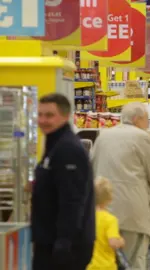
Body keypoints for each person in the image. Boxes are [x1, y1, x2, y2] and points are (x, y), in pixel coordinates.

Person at [91, 102, 150, 269]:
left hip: (102, 212)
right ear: (137, 119)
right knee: (134, 261)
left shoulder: (103, 136)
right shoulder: (143, 137)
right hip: (132, 213)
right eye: (146, 120)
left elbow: (92, 169)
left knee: (107, 261)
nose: (148, 125)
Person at [32, 93, 95, 270]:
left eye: (49, 115)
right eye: (40, 114)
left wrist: (64, 242)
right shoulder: (55, 143)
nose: (43, 120)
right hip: (51, 240)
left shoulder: (68, 149)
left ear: (65, 116)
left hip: (64, 246)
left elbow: (72, 200)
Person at [87, 177, 125, 270]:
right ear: (110, 199)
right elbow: (113, 242)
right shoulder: (110, 220)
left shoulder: (86, 218)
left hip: (89, 265)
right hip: (106, 266)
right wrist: (121, 241)